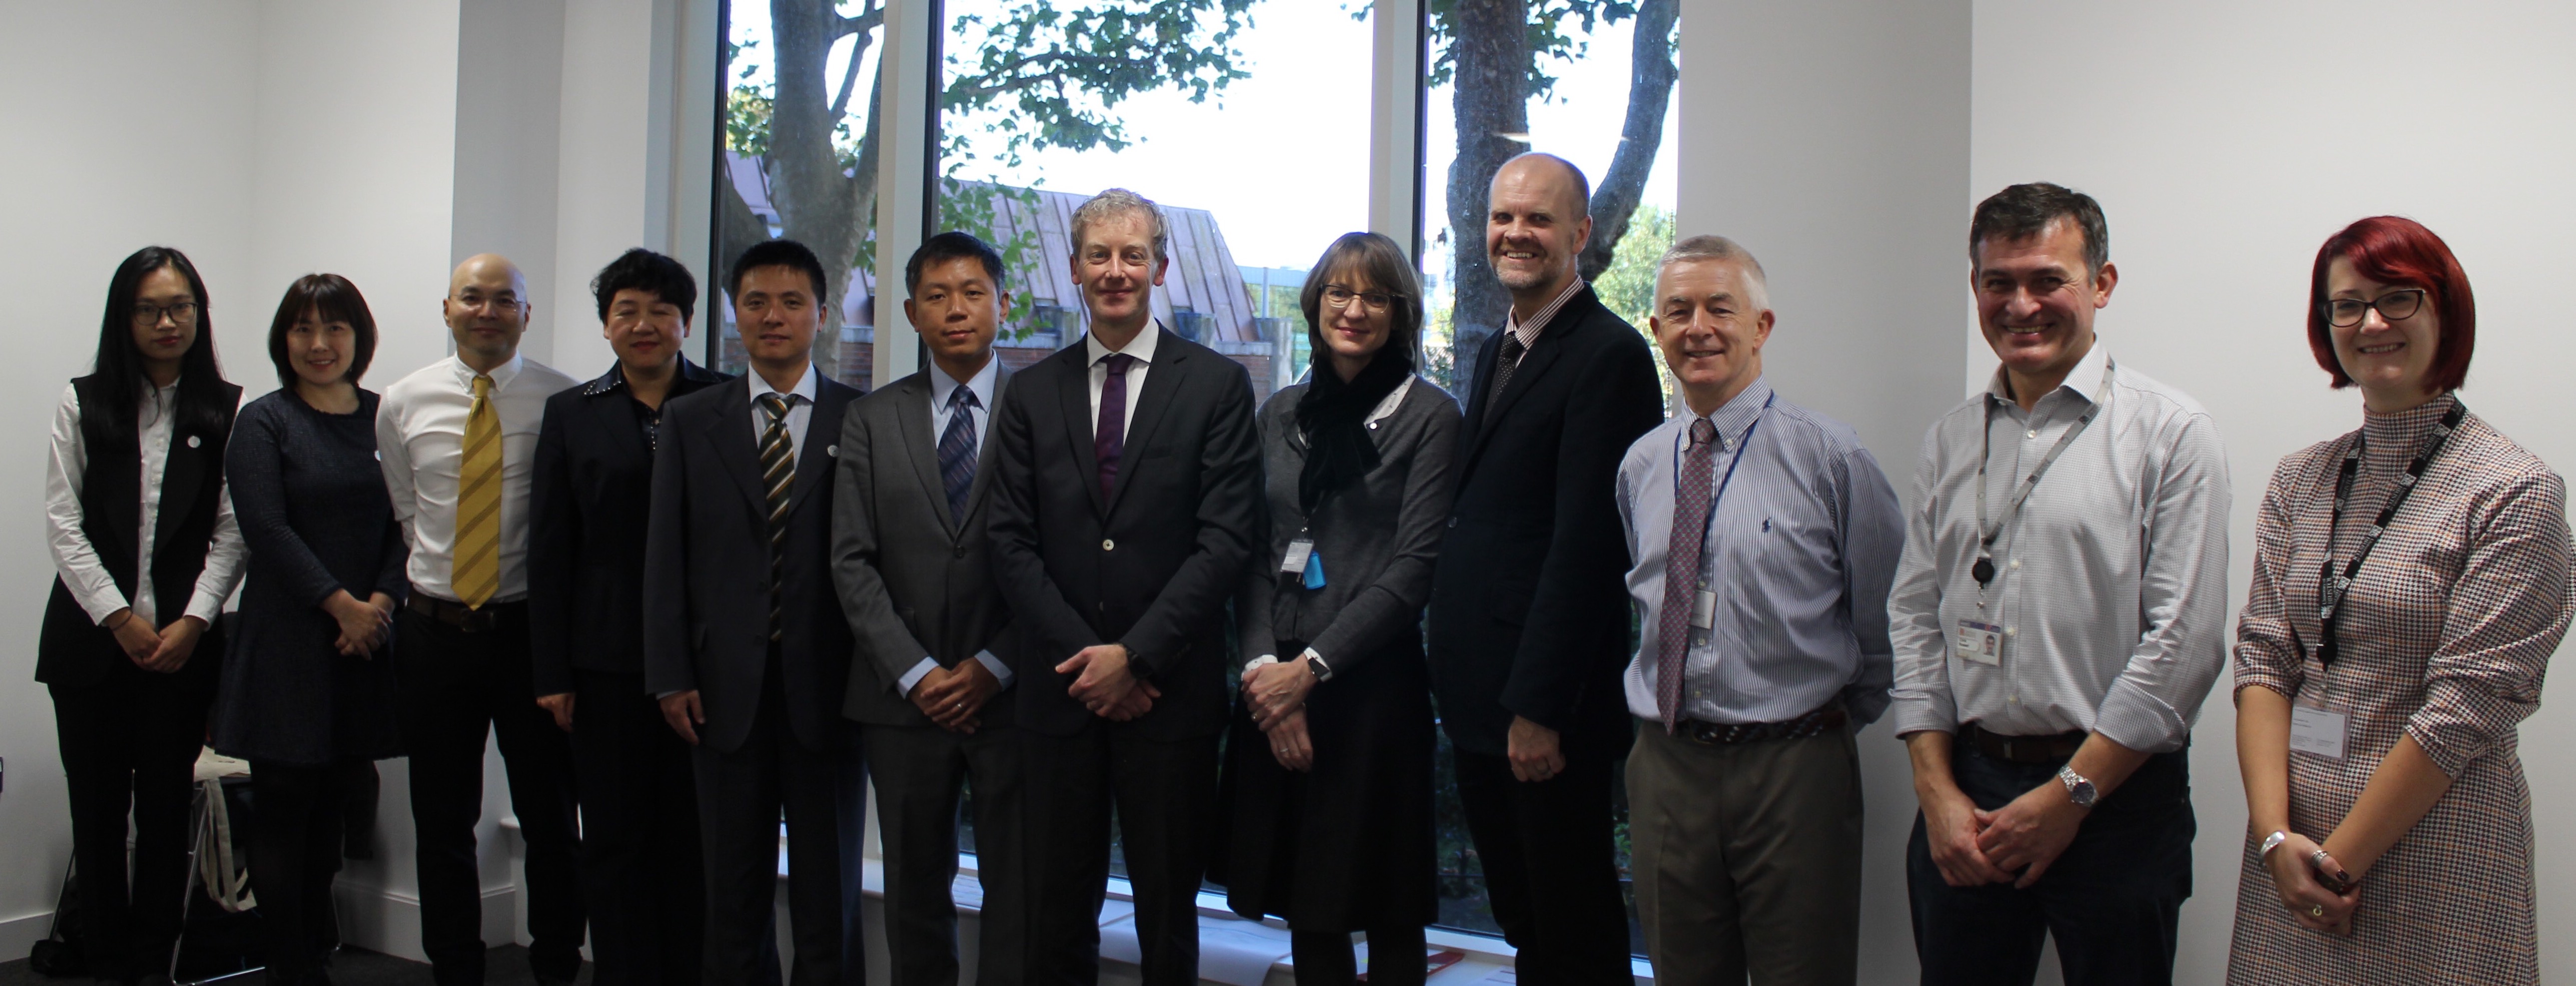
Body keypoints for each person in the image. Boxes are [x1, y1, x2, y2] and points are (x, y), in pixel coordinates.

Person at [1888, 182, 2230, 986]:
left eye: (2048, 280)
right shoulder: (1950, 439)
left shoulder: (2171, 433)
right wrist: (1936, 791)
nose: (2021, 305)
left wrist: (2069, 795)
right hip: (1968, 789)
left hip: (2117, 797)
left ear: (2101, 284)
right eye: (1998, 282)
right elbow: (1914, 615)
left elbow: (2184, 643)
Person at [2226, 216, 2573, 985]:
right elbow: (2264, 658)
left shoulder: (2515, 490)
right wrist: (2276, 840)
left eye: (2397, 299)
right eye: (2348, 305)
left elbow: (2467, 707)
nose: (2372, 323)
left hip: (2437, 849)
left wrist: (2335, 865)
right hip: (2292, 843)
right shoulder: (2300, 478)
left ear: (2446, 310)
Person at [986, 188, 1263, 986]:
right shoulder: (1029, 391)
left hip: (1168, 699)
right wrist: (1090, 659)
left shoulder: (1215, 385)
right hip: (1060, 695)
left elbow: (1225, 541)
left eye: (1133, 255)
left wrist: (1135, 658)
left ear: (1160, 269)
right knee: (1055, 917)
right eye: (1100, 255)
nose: (1116, 271)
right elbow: (1009, 541)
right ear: (1074, 268)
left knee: (1167, 920)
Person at [1616, 235, 1904, 985]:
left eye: (1720, 308)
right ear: (1657, 330)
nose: (1698, 328)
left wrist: (1814, 731)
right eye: (1679, 311)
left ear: (1761, 326)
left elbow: (1884, 628)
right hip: (1668, 763)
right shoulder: (1641, 464)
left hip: (1793, 768)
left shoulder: (1832, 457)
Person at [1424, 153, 1663, 982]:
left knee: (1573, 932)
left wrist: (1539, 709)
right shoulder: (1502, 347)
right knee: (1528, 920)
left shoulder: (1609, 355)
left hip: (1544, 713)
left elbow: (1590, 548)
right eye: (1503, 217)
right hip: (1482, 694)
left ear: (1581, 233)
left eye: (1538, 218)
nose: (1515, 233)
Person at [1214, 232, 1458, 986]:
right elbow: (1253, 552)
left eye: (1375, 296)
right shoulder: (1280, 412)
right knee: (1308, 905)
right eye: (1339, 292)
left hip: (1370, 692)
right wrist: (1267, 675)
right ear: (1315, 302)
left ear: (1400, 313)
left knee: (1388, 909)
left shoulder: (1431, 416)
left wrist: (1309, 672)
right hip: (1274, 686)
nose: (1354, 309)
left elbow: (1413, 569)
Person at [644, 239, 867, 986]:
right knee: (731, 890)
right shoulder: (690, 419)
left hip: (830, 690)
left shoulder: (861, 419)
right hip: (719, 691)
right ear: (734, 314)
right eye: (756, 303)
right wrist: (671, 674)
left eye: (792, 302)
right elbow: (665, 556)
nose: (774, 317)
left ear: (822, 315)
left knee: (828, 890)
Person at [36, 245, 247, 985]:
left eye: (180, 307)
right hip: (91, 648)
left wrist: (195, 620)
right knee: (97, 816)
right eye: (150, 309)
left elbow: (232, 532)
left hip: (181, 651)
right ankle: (104, 962)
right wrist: (119, 616)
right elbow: (63, 524)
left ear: (199, 313)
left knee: (164, 815)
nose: (167, 322)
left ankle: (155, 963)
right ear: (123, 318)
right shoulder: (84, 402)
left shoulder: (225, 409)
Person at [376, 253, 586, 986]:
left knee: (551, 816)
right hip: (433, 635)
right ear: (447, 309)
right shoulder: (402, 400)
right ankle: (455, 968)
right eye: (472, 297)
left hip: (530, 636)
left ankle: (557, 964)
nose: (487, 311)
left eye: (504, 299)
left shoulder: (563, 400)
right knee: (442, 820)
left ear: (527, 313)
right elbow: (408, 511)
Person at [830, 231, 1028, 986]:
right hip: (900, 701)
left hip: (1015, 695)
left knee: (1019, 886)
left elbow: (1063, 561)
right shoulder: (870, 418)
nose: (956, 310)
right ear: (912, 313)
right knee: (914, 888)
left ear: (1003, 305)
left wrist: (993, 665)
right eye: (937, 296)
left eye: (973, 293)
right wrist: (916, 672)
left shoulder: (1044, 411)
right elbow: (851, 560)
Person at [528, 248, 726, 986]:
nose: (644, 325)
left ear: (687, 322)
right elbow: (550, 550)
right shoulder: (571, 413)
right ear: (606, 325)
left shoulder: (724, 401)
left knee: (692, 837)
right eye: (627, 312)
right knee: (613, 839)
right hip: (604, 659)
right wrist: (551, 671)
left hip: (705, 658)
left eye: (661, 311)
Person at [213, 273, 408, 986]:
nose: (319, 343)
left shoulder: (386, 417)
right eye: (303, 328)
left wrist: (379, 603)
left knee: (334, 812)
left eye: (335, 328)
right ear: (284, 339)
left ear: (360, 337)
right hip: (289, 644)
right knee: (285, 813)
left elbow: (410, 520)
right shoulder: (264, 422)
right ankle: (289, 966)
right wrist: (341, 605)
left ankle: (316, 951)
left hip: (364, 643)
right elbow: (267, 529)